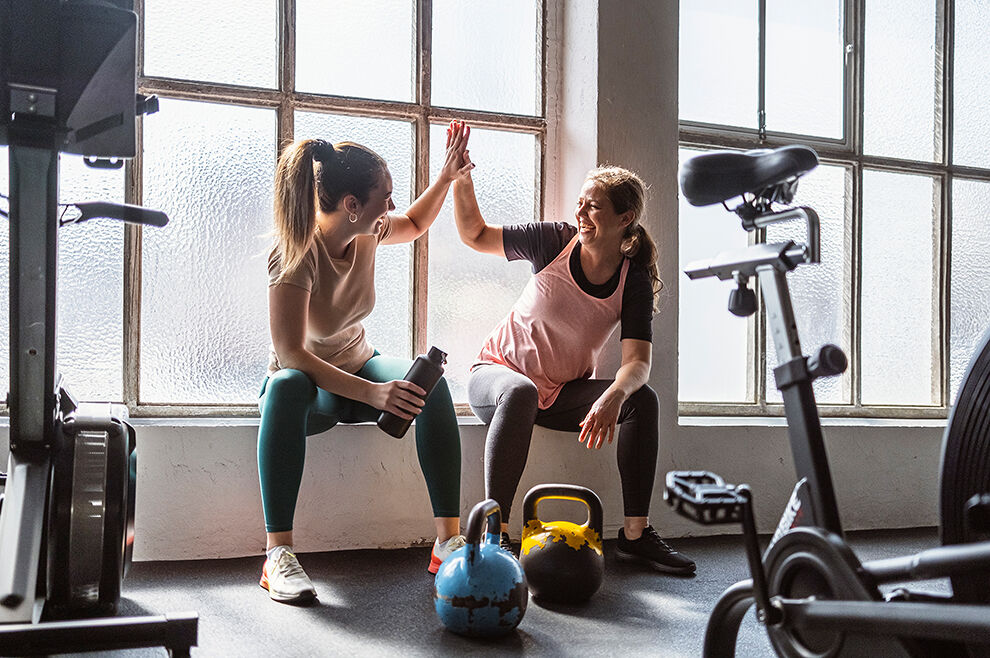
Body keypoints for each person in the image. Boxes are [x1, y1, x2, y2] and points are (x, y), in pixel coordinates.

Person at [451, 128, 696, 575]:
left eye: (594, 205)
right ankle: (494, 534)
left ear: (625, 219)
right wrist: (462, 178)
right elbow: (474, 234)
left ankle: (636, 536)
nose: (581, 212)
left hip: (562, 391)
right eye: (580, 202)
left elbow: (637, 363)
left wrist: (613, 396)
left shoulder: (632, 278)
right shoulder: (552, 241)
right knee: (521, 392)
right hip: (498, 376)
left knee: (642, 399)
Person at [258, 122, 473, 604]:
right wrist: (375, 394)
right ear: (352, 204)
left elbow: (415, 224)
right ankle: (277, 555)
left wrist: (447, 177)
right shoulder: (294, 254)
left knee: (429, 385)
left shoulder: (370, 230)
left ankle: (446, 542)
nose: (391, 206)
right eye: (385, 196)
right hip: (308, 395)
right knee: (285, 384)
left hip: (358, 367)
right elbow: (293, 353)